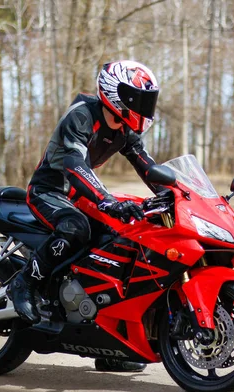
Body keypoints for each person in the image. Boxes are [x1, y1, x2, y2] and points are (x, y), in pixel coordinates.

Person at [9, 60, 162, 372]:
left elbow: (148, 167)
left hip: (79, 195)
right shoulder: (81, 115)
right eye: (140, 100)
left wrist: (178, 193)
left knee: (126, 235)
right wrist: (106, 200)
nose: (146, 108)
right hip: (49, 191)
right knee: (75, 228)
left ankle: (111, 345)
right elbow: (75, 165)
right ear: (117, 95)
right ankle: (25, 282)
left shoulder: (125, 130)